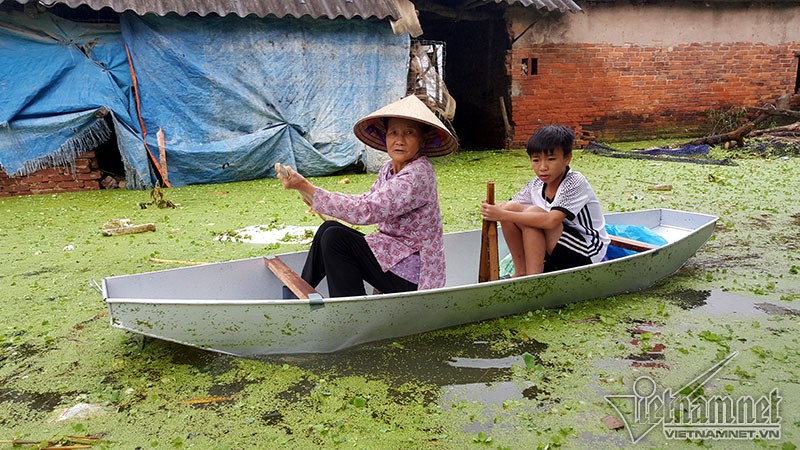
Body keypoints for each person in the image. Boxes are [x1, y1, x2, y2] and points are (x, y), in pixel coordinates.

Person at [278, 95, 457, 297]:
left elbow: (366, 211)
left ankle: (351, 309)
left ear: (422, 140)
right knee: (328, 228)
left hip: (413, 275)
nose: (399, 140)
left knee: (336, 239)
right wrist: (312, 194)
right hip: (391, 256)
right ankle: (299, 292)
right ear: (385, 137)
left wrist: (309, 188)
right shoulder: (388, 168)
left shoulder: (418, 175)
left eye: (409, 133)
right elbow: (366, 200)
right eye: (393, 133)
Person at [480, 125, 609, 277]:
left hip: (587, 251)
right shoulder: (536, 184)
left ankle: (533, 278)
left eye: (551, 159)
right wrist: (492, 209)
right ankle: (521, 272)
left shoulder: (575, 181)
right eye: (536, 160)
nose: (542, 167)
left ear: (567, 158)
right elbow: (508, 208)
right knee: (511, 207)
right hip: (557, 246)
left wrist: (501, 214)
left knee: (531, 213)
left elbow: (550, 221)